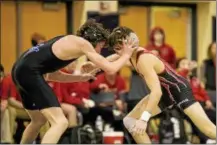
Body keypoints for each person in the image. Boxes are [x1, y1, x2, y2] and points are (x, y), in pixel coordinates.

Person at [82, 26, 216, 144]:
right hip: (165, 91)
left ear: (128, 44)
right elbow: (113, 58)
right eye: (116, 49)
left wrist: (144, 119)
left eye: (118, 49)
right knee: (130, 121)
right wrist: (94, 65)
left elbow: (156, 92)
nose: (117, 53)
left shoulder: (143, 60)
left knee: (209, 130)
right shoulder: (129, 53)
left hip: (179, 90)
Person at [11, 19, 136, 144]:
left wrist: (81, 78)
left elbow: (52, 75)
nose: (98, 51)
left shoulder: (67, 42)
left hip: (19, 70)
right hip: (30, 72)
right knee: (60, 122)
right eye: (101, 46)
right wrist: (126, 55)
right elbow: (110, 69)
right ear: (94, 40)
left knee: (38, 121)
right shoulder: (83, 44)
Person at [177, 57, 216, 143]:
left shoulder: (194, 79)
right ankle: (205, 139)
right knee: (195, 118)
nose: (186, 66)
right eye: (183, 64)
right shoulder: (177, 78)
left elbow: (203, 92)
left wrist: (207, 100)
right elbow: (183, 74)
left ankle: (213, 137)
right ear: (178, 68)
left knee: (214, 115)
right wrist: (189, 68)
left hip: (201, 104)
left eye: (188, 64)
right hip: (188, 106)